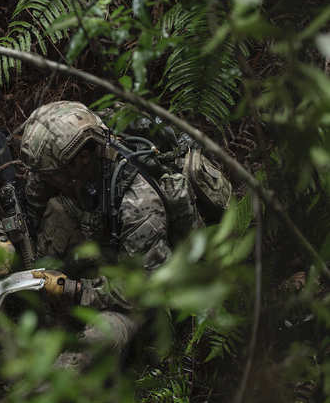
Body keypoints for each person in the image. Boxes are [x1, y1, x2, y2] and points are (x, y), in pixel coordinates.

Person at [19, 101, 207, 357]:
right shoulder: (69, 164)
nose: (43, 179)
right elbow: (32, 199)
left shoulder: (138, 203)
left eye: (51, 174)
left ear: (82, 159)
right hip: (100, 264)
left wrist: (72, 290)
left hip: (141, 298)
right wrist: (3, 237)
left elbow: (141, 291)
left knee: (98, 340)